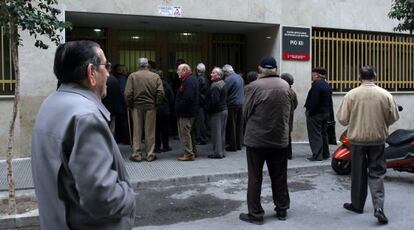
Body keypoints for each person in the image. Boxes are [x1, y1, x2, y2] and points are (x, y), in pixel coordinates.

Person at [31, 40, 136, 229]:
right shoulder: (86, 117)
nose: (108, 72)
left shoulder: (51, 102)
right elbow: (101, 197)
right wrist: (128, 194)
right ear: (91, 72)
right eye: (106, 65)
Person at [336, 66, 399, 225]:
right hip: (377, 140)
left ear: (359, 77)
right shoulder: (385, 94)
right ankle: (378, 207)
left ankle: (357, 205)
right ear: (375, 76)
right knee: (377, 173)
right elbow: (393, 118)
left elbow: (342, 119)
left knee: (358, 173)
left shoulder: (352, 94)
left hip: (357, 140)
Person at [239, 56, 292, 225]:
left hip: (257, 140)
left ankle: (255, 214)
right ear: (276, 69)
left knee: (255, 177)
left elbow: (245, 112)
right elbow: (291, 108)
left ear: (260, 69)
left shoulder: (253, 87)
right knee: (279, 175)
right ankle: (282, 209)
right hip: (279, 139)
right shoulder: (285, 85)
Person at [125, 58, 164, 162]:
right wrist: (156, 104)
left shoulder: (133, 76)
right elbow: (160, 93)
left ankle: (136, 154)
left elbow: (128, 93)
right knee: (150, 132)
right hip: (151, 107)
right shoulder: (155, 76)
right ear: (147, 65)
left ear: (139, 65)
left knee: (137, 132)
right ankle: (150, 154)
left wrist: (130, 104)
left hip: (137, 107)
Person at [304, 67, 333, 161]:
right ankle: (325, 154)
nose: (312, 76)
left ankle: (317, 155)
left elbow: (314, 101)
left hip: (316, 114)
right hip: (325, 113)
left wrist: (310, 112)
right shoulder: (326, 85)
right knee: (323, 134)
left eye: (313, 74)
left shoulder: (316, 85)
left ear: (317, 75)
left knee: (315, 135)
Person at [175, 63, 200, 161]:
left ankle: (188, 154)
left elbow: (188, 98)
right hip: (190, 112)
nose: (177, 71)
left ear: (184, 70)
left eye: (178, 69)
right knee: (190, 133)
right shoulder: (191, 79)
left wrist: (178, 108)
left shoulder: (189, 81)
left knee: (184, 133)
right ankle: (192, 151)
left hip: (186, 113)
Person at [205, 67, 227, 159]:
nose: (211, 74)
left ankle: (217, 153)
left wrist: (208, 109)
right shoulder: (223, 83)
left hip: (217, 112)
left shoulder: (215, 86)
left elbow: (214, 102)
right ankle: (221, 152)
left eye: (213, 73)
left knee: (216, 133)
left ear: (218, 75)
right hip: (224, 110)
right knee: (221, 133)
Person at [222, 64, 244, 152]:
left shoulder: (228, 80)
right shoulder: (240, 77)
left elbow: (225, 92)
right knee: (239, 125)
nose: (223, 74)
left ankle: (232, 145)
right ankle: (239, 144)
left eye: (224, 73)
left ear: (226, 72)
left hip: (232, 104)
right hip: (241, 103)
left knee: (232, 125)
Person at [155, 70, 175, 153]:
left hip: (156, 110)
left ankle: (157, 147)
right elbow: (172, 97)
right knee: (165, 130)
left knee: (156, 130)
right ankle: (166, 146)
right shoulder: (167, 85)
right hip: (166, 110)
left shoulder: (154, 85)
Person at [281, 73, 298, 159]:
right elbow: (295, 105)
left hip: (284, 117)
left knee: (283, 135)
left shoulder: (283, 91)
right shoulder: (293, 92)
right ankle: (289, 154)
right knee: (288, 136)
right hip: (290, 117)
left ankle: (284, 154)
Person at [113, 64, 130, 145]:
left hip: (116, 104)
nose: (127, 72)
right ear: (122, 71)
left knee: (118, 123)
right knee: (124, 123)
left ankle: (117, 138)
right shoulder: (123, 79)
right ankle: (125, 139)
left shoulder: (115, 78)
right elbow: (123, 92)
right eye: (126, 70)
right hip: (122, 105)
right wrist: (126, 103)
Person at [195, 62, 211, 145]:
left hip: (201, 104)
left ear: (197, 70)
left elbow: (200, 92)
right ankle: (203, 137)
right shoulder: (206, 78)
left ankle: (202, 138)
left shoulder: (200, 79)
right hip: (205, 103)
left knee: (200, 122)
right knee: (203, 121)